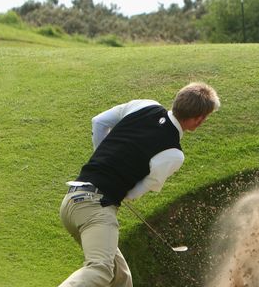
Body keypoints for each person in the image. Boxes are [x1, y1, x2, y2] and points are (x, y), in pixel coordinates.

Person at [58, 82, 220, 287]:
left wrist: (104, 161)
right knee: (100, 270)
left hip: (71, 202)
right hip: (95, 208)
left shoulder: (144, 105)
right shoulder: (173, 154)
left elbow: (99, 122)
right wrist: (114, 179)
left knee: (121, 279)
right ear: (199, 119)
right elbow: (134, 193)